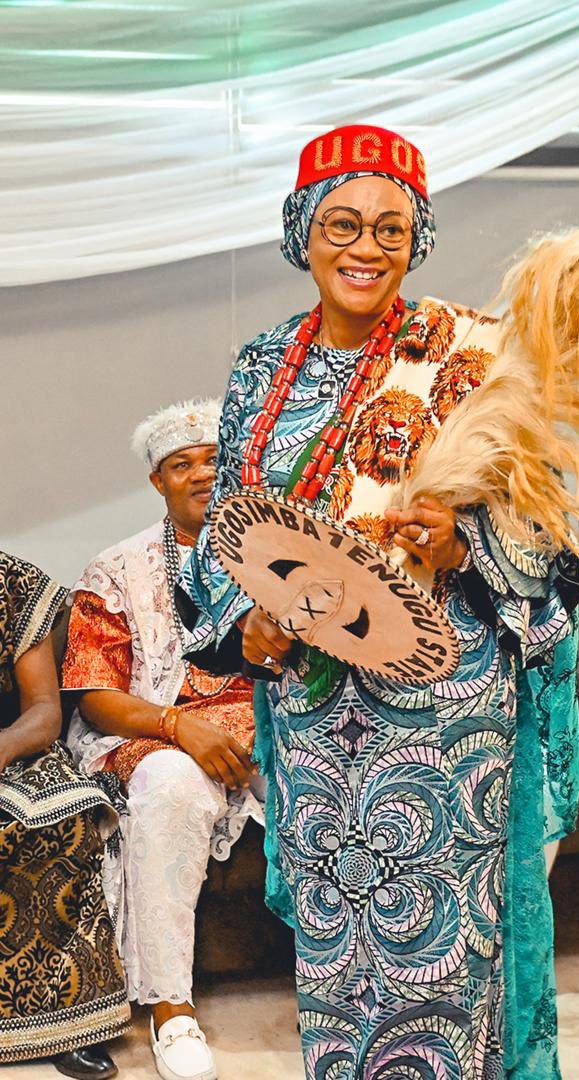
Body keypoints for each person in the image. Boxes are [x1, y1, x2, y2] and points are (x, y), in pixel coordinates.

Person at [178, 125, 579, 1079]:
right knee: (338, 945)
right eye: (340, 224)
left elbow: (557, 537)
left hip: (443, 704)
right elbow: (227, 528)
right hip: (317, 706)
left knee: (441, 944)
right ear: (300, 232)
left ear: (417, 240)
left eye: (389, 229)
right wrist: (242, 624)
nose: (364, 247)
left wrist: (467, 542)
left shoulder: (472, 353)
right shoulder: (259, 367)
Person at [61, 399, 264, 1080]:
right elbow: (95, 695)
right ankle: (170, 1011)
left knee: (344, 774)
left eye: (214, 459)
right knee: (168, 785)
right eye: (182, 465)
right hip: (160, 733)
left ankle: (362, 991)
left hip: (273, 732)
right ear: (158, 481)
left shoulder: (284, 556)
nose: (202, 474)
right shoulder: (116, 569)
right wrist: (180, 726)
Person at [0, 549, 130, 1079]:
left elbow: (44, 712)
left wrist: (3, 747)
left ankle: (67, 1020)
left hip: (12, 745)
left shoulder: (11, 582)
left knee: (60, 821)